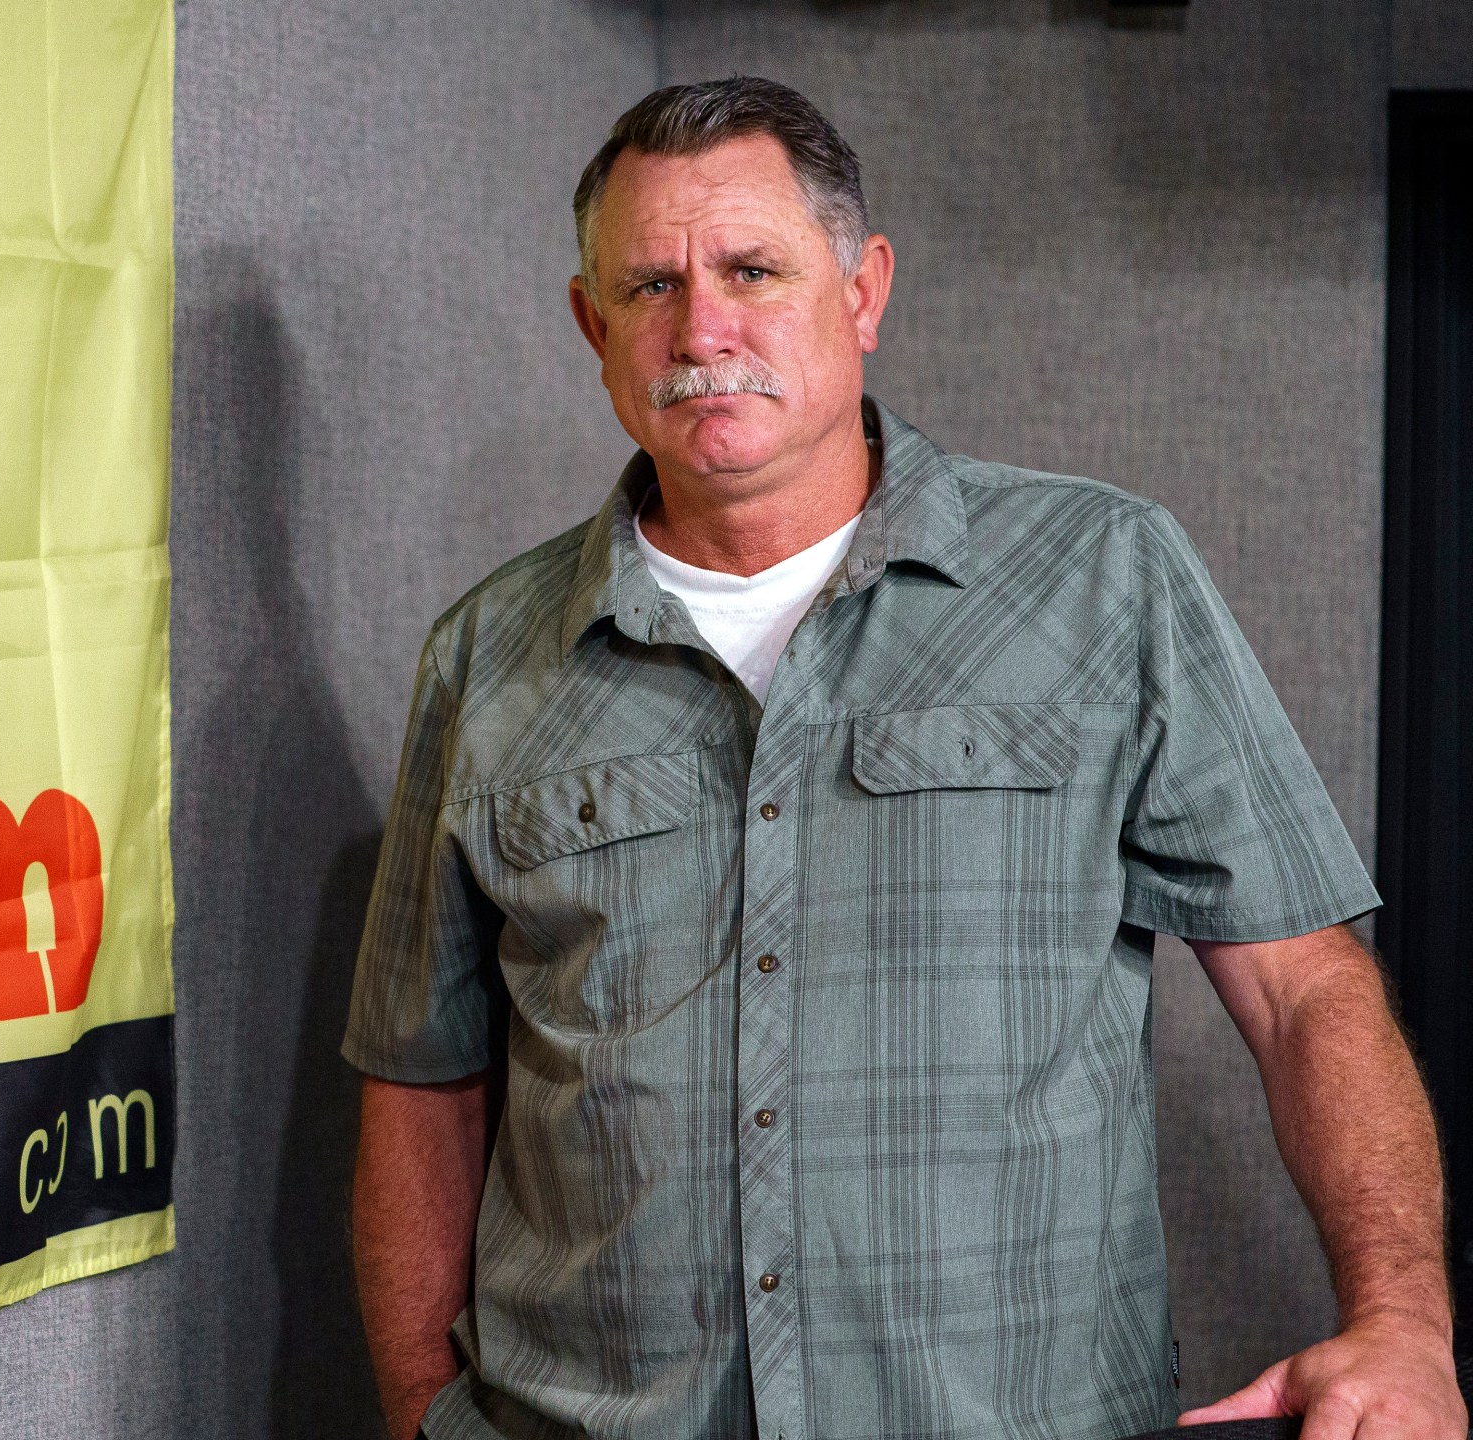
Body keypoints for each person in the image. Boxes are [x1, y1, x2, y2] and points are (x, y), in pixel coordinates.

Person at [343, 76, 1462, 1440]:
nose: (703, 328)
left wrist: (1404, 1323)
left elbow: (1304, 992)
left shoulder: (1104, 577)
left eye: (753, 269)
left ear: (863, 292)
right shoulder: (484, 656)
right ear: (593, 325)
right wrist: (414, 1409)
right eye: (648, 286)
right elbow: (422, 1081)